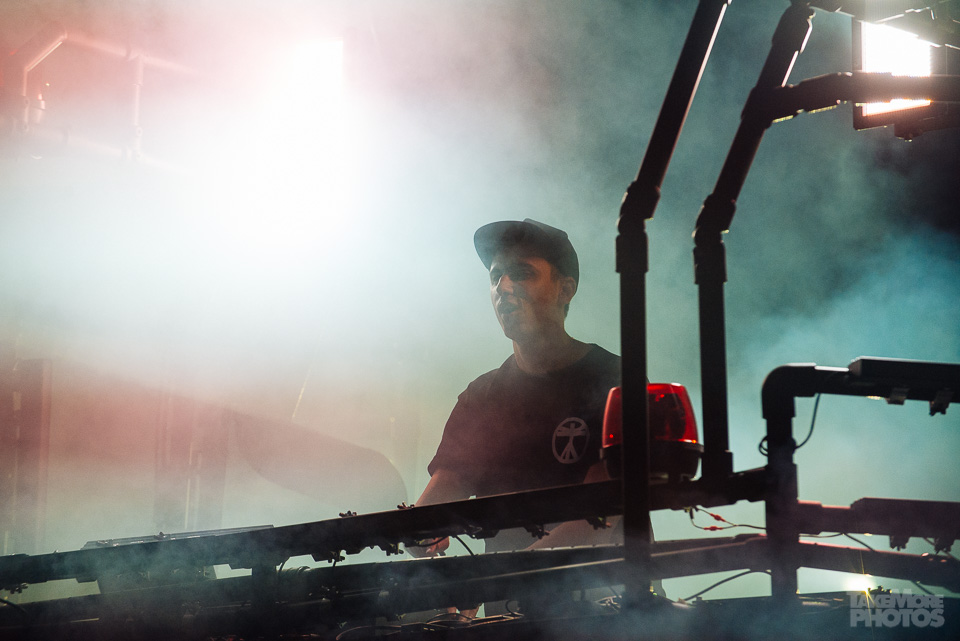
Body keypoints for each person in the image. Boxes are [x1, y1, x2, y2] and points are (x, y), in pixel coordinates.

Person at [410, 218, 621, 556]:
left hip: (608, 589)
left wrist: (513, 575)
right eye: (496, 276)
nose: (504, 286)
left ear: (565, 290)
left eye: (522, 273)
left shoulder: (615, 380)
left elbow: (604, 511)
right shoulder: (480, 399)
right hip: (506, 591)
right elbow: (427, 517)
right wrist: (417, 537)